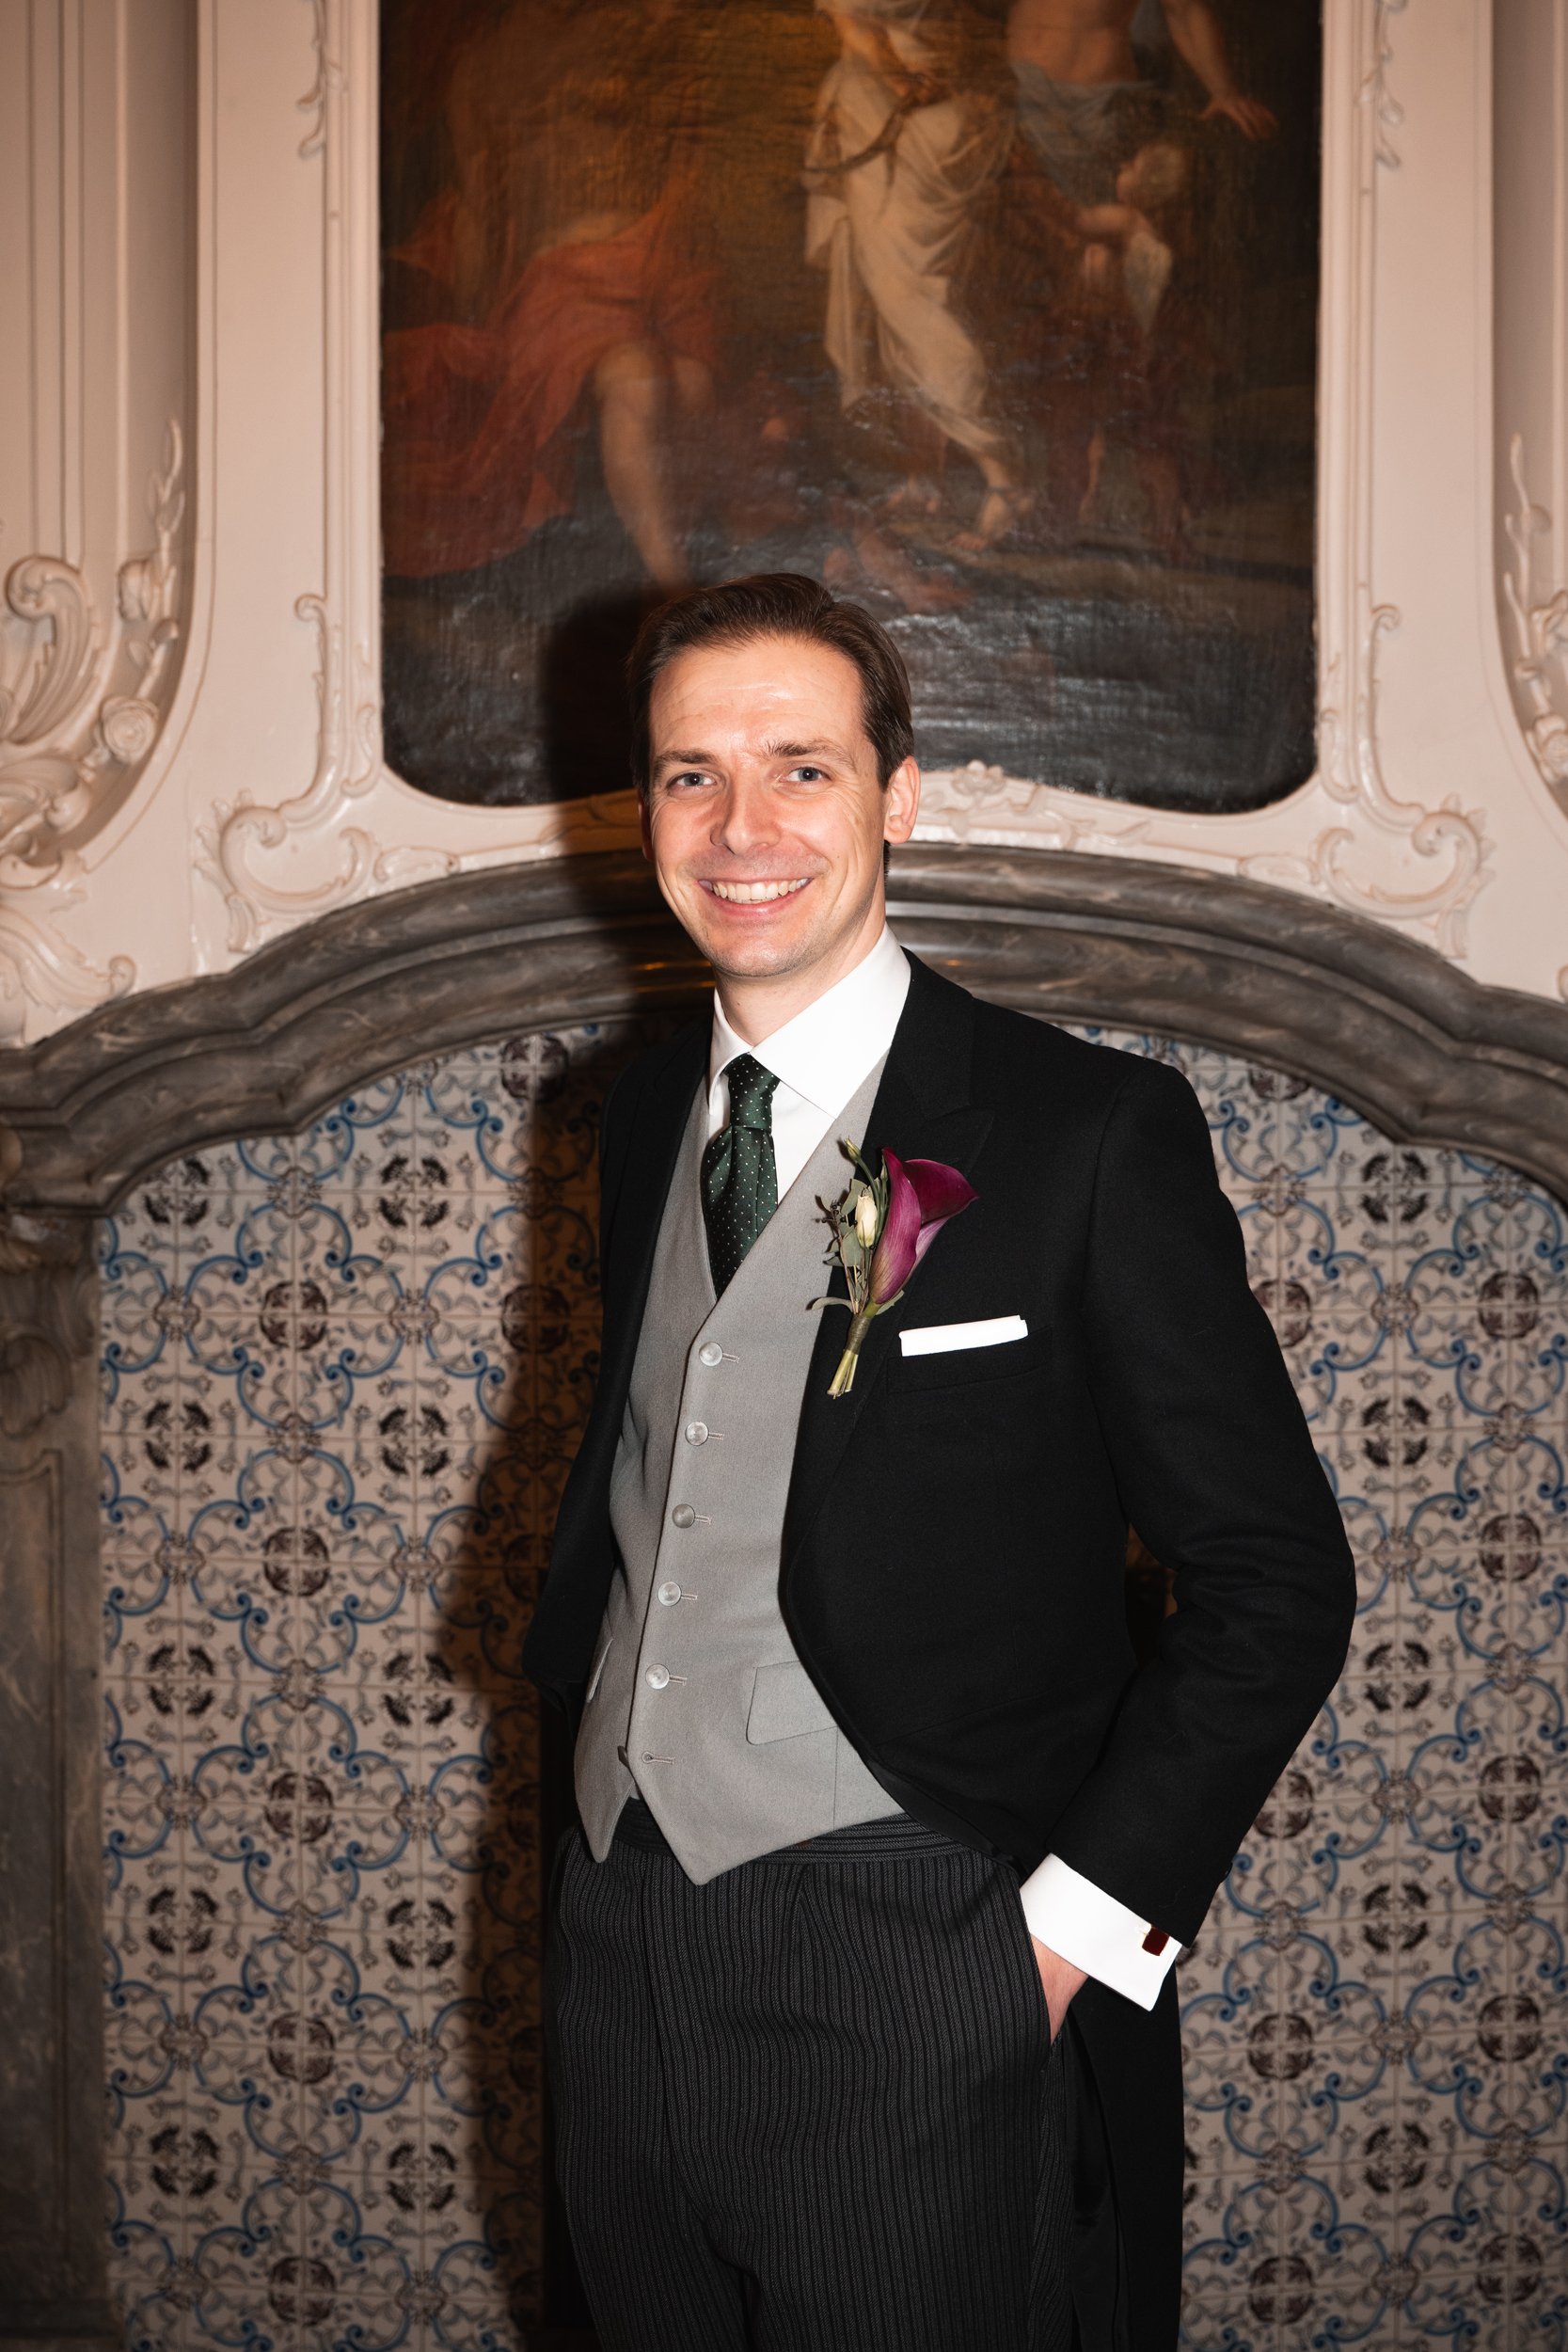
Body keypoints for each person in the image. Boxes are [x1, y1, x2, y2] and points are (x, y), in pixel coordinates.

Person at [522, 572, 1356, 2351]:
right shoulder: (640, 1114)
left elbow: (1276, 1584)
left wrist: (1059, 1942)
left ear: (895, 795)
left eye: (800, 770)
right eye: (689, 775)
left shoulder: (1083, 1134)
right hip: (616, 1936)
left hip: (923, 1943)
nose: (741, 828)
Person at [805, 1, 1028, 551]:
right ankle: (921, 475)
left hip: (905, 114)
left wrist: (905, 79)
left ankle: (1004, 477)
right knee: (900, 308)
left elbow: (855, 24)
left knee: (912, 306)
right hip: (922, 112)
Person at [1007, 0, 1275, 206]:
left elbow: (1184, 10)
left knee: (1104, 225)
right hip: (1024, 94)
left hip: (1100, 105)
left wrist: (1224, 90)